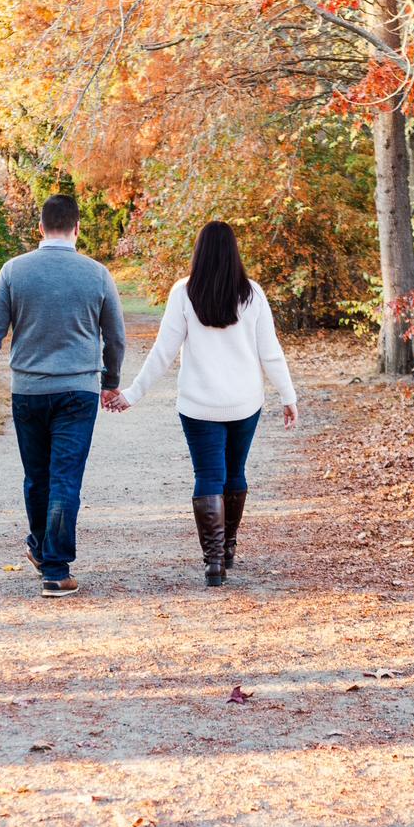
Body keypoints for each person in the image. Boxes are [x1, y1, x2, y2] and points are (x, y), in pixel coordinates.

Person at [108, 220, 297, 586]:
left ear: (199, 252)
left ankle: (213, 563)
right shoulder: (252, 294)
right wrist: (287, 396)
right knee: (235, 472)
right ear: (234, 253)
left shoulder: (184, 292)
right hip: (244, 402)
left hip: (198, 405)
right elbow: (270, 352)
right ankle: (227, 547)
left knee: (208, 476)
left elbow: (163, 352)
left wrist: (133, 393)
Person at [0, 193, 125, 597]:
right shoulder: (97, 274)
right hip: (78, 392)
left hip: (29, 391)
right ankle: (54, 568)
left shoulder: (14, 271)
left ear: (40, 228)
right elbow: (116, 338)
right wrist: (110, 381)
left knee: (37, 477)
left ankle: (41, 548)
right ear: (77, 228)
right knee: (64, 478)